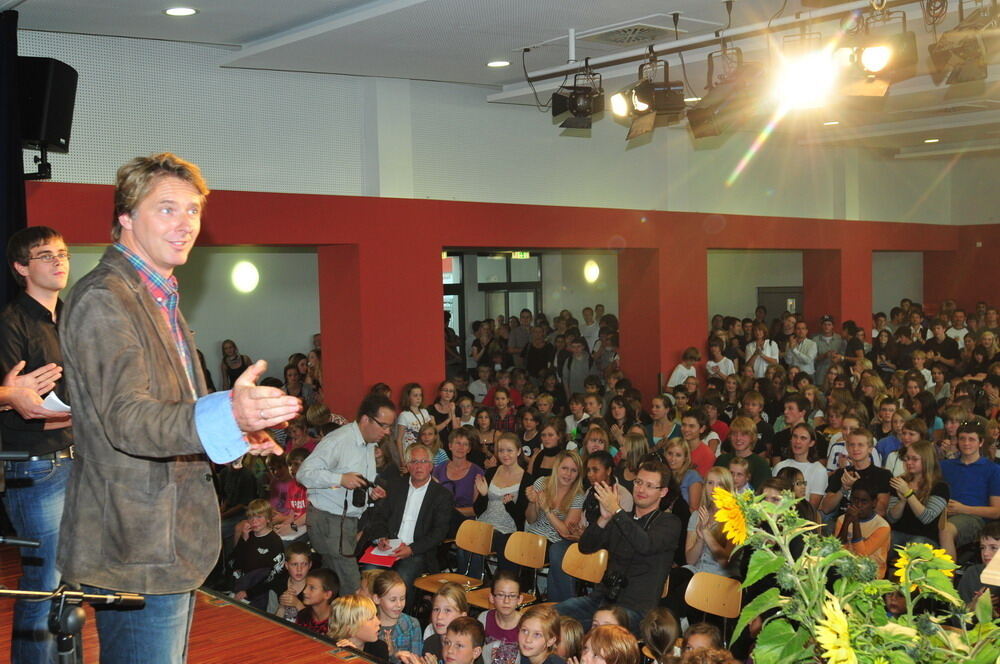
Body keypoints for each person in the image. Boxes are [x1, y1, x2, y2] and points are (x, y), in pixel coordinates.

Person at [56, 153, 301, 663]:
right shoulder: (106, 299)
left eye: (193, 210)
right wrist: (229, 415)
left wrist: (238, 431)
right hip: (136, 540)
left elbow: (174, 406)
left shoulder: (155, 293)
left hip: (160, 537)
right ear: (126, 216)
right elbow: (128, 418)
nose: (185, 223)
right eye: (167, 209)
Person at [0, 225, 74, 663]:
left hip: (76, 458)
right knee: (41, 585)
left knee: (70, 586)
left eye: (62, 253)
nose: (59, 261)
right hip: (36, 465)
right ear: (21, 267)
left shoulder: (70, 316)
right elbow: (26, 409)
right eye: (46, 255)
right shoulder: (11, 324)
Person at [556, 460, 681, 633]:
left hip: (636, 611)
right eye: (638, 482)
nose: (641, 489)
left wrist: (616, 510)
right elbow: (585, 547)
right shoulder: (620, 519)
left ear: (663, 492)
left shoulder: (669, 523)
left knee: (578, 631)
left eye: (650, 485)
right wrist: (604, 518)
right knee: (549, 619)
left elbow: (644, 544)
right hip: (601, 600)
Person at [297, 393, 396, 594]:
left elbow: (356, 480)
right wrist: (340, 479)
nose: (387, 432)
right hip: (329, 520)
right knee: (351, 587)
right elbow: (303, 473)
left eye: (389, 426)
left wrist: (370, 493)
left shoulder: (368, 443)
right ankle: (355, 624)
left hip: (347, 522)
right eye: (383, 425)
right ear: (366, 419)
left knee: (332, 586)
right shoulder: (338, 440)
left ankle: (335, 623)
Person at [363, 443, 455, 610]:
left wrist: (411, 549)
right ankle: (369, 617)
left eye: (423, 461)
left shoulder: (441, 495)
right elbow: (380, 516)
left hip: (418, 551)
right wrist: (381, 537)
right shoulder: (396, 486)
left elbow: (439, 532)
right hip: (388, 547)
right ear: (407, 466)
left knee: (402, 578)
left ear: (431, 465)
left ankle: (400, 621)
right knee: (369, 573)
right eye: (413, 461)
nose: (418, 466)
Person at [939, 422, 1000, 560]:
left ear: (980, 442)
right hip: (942, 513)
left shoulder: (993, 470)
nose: (966, 443)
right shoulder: (945, 466)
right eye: (962, 438)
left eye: (971, 439)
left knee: (945, 530)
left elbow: (996, 511)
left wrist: (964, 509)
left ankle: (946, 579)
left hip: (973, 518)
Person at [230, 498, 285, 610]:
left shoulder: (274, 541)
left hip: (262, 589)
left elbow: (274, 575)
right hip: (244, 584)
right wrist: (244, 539)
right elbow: (235, 563)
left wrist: (249, 592)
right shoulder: (247, 536)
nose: (254, 521)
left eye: (259, 517)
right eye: (250, 517)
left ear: (268, 519)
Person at [835, 486, 891, 578]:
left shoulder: (882, 526)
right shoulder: (841, 519)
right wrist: (846, 523)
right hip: (846, 568)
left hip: (871, 573)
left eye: (864, 501)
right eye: (855, 500)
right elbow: (838, 550)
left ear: (874, 503)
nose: (858, 505)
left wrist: (855, 522)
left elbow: (862, 555)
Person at [374, 570, 423, 660]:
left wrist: (394, 653)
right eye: (393, 600)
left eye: (402, 598)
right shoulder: (368, 625)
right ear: (377, 599)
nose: (399, 605)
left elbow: (416, 659)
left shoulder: (412, 624)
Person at [479, 570, 524, 664]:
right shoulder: (483, 619)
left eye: (512, 596)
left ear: (519, 599)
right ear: (492, 598)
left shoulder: (526, 624)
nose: (506, 601)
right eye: (500, 595)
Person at [329, 594, 390, 662]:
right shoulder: (329, 648)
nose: (378, 622)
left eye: (375, 616)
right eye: (370, 618)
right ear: (350, 627)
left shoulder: (379, 648)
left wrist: (358, 657)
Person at [267, 541, 312, 622]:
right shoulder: (277, 586)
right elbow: (270, 622)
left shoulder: (316, 589)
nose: (299, 569)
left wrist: (298, 604)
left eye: (304, 564)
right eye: (294, 564)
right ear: (286, 565)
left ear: (310, 565)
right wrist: (281, 607)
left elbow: (317, 626)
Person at [296, 568, 340, 635]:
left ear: (327, 595)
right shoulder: (303, 616)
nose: (304, 591)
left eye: (312, 588)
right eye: (305, 586)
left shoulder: (338, 622)